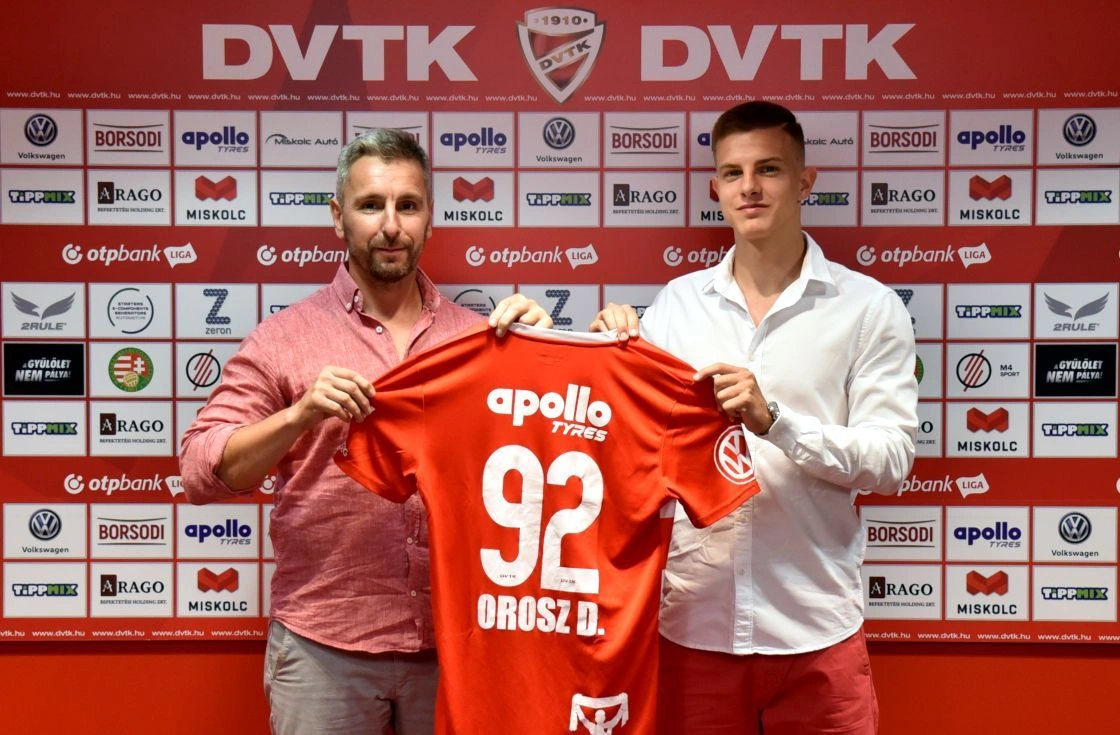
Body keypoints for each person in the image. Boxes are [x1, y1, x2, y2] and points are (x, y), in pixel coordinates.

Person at [180, 128, 551, 735]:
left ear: (430, 217)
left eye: (408, 206)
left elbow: (545, 457)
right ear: (338, 216)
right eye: (371, 205)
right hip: (324, 651)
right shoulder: (285, 339)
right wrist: (299, 416)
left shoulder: (480, 341)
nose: (391, 226)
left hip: (455, 646)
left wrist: (542, 356)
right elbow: (201, 470)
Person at [591, 100, 918, 733]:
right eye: (733, 173)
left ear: (804, 181)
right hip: (695, 623)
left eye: (768, 169)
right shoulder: (675, 306)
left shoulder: (868, 309)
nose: (749, 187)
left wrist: (777, 423)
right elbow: (626, 443)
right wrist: (606, 350)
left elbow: (890, 461)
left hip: (816, 628)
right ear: (715, 189)